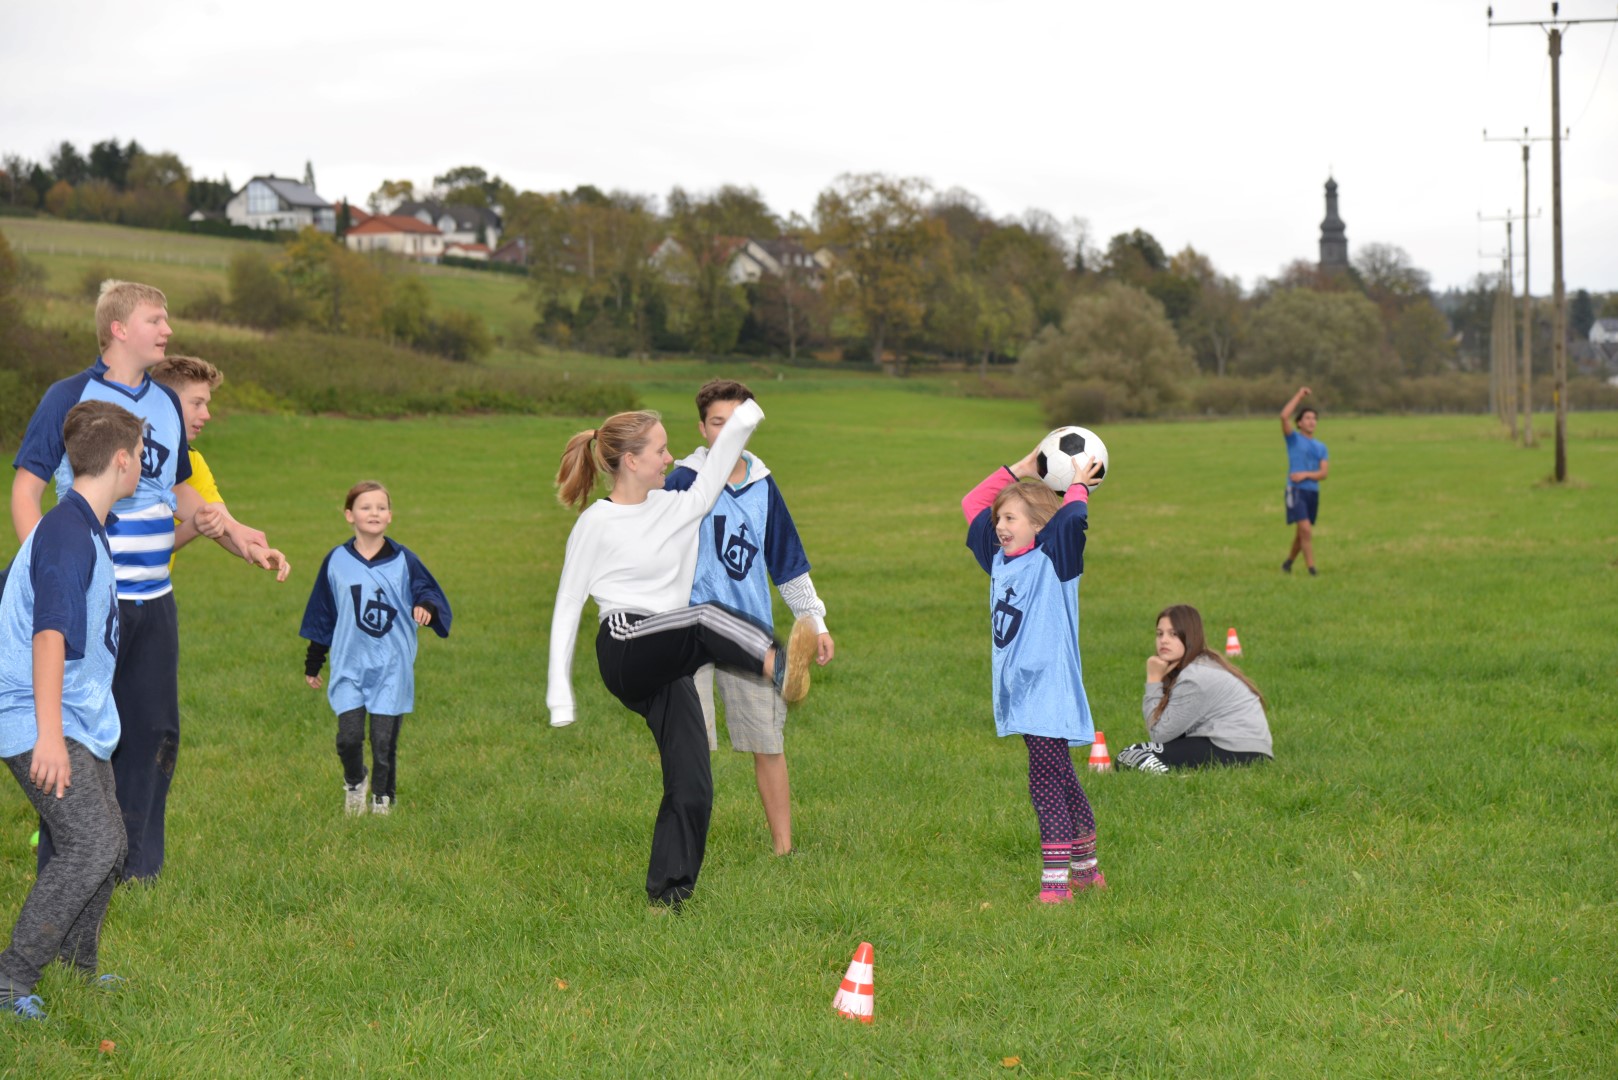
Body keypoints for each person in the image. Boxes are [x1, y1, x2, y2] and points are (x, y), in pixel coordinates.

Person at [11, 280, 287, 881]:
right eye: (155, 320)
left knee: (152, 733)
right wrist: (46, 571)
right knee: (82, 733)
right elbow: (26, 490)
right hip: (92, 605)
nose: (168, 330)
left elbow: (180, 490)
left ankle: (135, 870)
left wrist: (238, 535)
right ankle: (67, 865)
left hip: (155, 602)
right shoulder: (68, 396)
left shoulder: (164, 402)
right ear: (118, 329)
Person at [547, 400, 819, 908]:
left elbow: (719, 463)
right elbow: (567, 605)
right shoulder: (596, 523)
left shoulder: (677, 506)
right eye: (660, 450)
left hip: (669, 657)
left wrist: (747, 414)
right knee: (704, 618)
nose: (670, 459)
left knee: (692, 784)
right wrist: (559, 695)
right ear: (631, 460)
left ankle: (668, 896)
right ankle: (780, 667)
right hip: (626, 643)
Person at [0, 401, 143, 1021]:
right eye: (141, 454)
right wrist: (50, 736)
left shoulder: (85, 525)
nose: (142, 464)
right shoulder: (66, 532)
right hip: (40, 718)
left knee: (108, 845)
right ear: (122, 460)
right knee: (91, 844)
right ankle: (10, 981)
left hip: (77, 719)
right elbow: (49, 635)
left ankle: (76, 969)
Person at [663, 379, 834, 856]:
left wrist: (815, 622)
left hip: (749, 635)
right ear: (702, 429)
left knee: (768, 743)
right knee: (689, 752)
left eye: (735, 422)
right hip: (688, 634)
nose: (727, 431)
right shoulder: (683, 481)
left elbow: (788, 563)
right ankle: (686, 851)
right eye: (717, 422)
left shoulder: (763, 484)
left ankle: (784, 849)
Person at [961, 444, 1105, 903]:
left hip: (1049, 690)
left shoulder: (1055, 559)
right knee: (1061, 776)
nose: (1000, 526)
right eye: (999, 518)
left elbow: (1072, 520)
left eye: (1011, 519)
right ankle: (1087, 871)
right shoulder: (999, 559)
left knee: (1043, 782)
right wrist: (1021, 469)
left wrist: (1078, 485)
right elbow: (971, 503)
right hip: (1020, 691)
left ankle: (1056, 884)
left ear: (1039, 526)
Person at [299, 482, 451, 816]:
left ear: (390, 516)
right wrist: (314, 662)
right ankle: (355, 783)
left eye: (381, 507)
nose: (374, 513)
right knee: (348, 738)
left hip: (391, 667)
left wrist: (425, 605)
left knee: (384, 742)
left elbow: (427, 590)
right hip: (349, 665)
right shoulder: (336, 561)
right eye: (366, 507)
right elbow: (322, 614)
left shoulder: (404, 560)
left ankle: (383, 799)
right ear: (349, 515)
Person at [151, 356, 288, 571]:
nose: (207, 415)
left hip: (156, 586)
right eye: (197, 403)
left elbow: (219, 521)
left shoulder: (191, 460)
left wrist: (253, 549)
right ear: (165, 402)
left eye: (206, 404)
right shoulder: (129, 453)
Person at [1116, 605, 1273, 773]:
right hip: (1250, 750)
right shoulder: (1202, 664)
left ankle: (1172, 777)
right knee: (1144, 753)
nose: (1164, 640)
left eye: (1173, 634)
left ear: (1190, 636)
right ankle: (1171, 772)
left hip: (1234, 749)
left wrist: (1154, 680)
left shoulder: (1194, 677)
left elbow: (1159, 735)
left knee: (1129, 755)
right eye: (1160, 634)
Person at [1279, 386, 1328, 576]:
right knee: (1306, 530)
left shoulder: (1321, 447)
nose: (1311, 421)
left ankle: (1288, 563)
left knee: (1301, 534)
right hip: (1295, 490)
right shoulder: (1293, 440)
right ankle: (1312, 570)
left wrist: (1306, 475)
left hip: (1312, 492)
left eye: (1314, 418)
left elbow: (1323, 473)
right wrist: (1299, 396)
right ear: (1299, 423)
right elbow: (1284, 416)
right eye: (1307, 418)